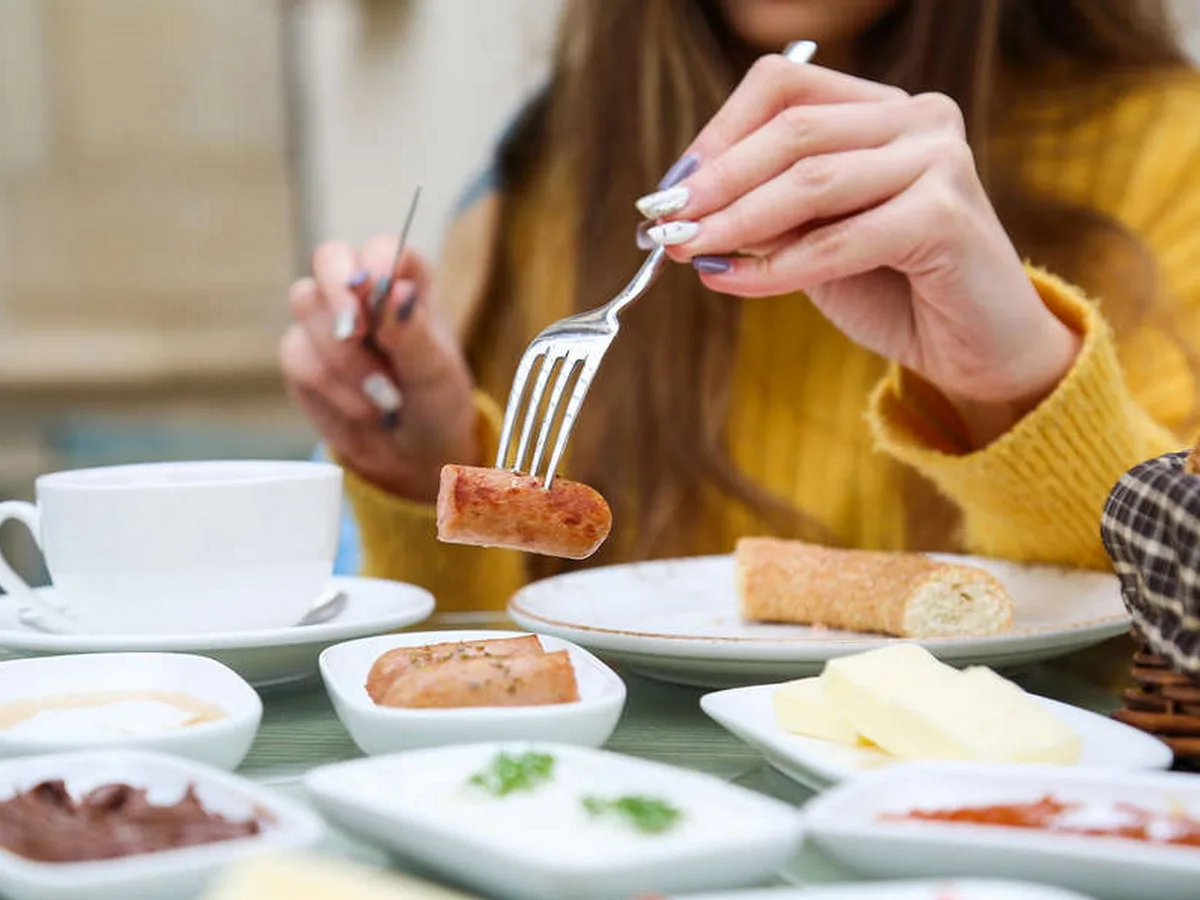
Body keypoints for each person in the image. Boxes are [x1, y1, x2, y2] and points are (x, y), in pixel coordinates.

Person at [280, 0, 1200, 611]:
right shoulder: (551, 177)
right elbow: (492, 675)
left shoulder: (1170, 152)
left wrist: (1018, 383)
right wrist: (425, 462)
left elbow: (1164, 663)